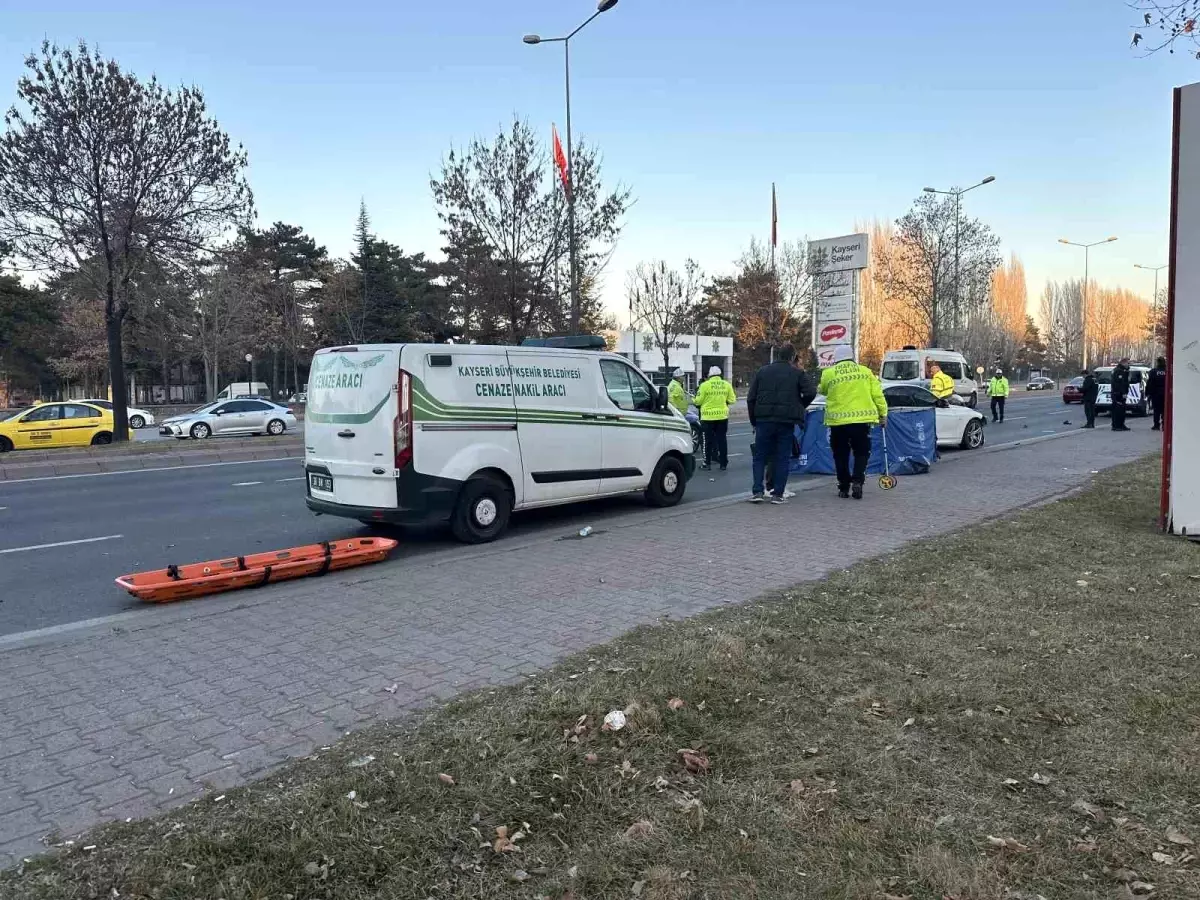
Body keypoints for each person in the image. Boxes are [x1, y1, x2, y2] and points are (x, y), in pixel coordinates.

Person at [747, 345, 816, 504]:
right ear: (792, 357)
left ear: (777, 356)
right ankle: (777, 494)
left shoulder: (762, 372)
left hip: (763, 421)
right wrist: (799, 406)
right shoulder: (797, 373)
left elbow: (751, 398)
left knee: (760, 457)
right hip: (785, 421)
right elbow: (811, 392)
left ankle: (758, 491)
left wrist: (754, 421)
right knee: (782, 457)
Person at [818, 345, 888, 500]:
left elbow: (822, 390)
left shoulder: (828, 373)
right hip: (861, 422)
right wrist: (883, 414)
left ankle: (843, 487)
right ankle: (857, 481)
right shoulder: (865, 372)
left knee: (840, 455)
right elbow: (878, 395)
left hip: (837, 422)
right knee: (862, 452)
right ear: (852, 357)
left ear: (836, 358)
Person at [693, 365, 736, 470]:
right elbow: (732, 400)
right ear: (720, 374)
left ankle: (706, 464)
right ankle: (723, 464)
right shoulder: (726, 385)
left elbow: (698, 401)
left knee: (707, 441)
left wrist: (693, 399)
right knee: (722, 440)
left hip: (707, 418)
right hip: (722, 417)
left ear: (709, 375)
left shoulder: (704, 385)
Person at [1111, 357, 1133, 432]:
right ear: (1123, 363)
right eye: (1128, 363)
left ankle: (1121, 424)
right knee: (1118, 410)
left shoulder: (1123, 371)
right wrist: (1123, 393)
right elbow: (1119, 384)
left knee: (1122, 410)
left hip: (1121, 393)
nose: (1129, 365)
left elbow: (1125, 382)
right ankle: (1116, 425)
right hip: (1118, 393)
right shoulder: (1118, 371)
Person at [1148, 355, 1167, 431]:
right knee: (1164, 410)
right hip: (1165, 394)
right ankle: (1164, 425)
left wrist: (1149, 392)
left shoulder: (1153, 371)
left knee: (1156, 410)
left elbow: (1150, 383)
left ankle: (1156, 425)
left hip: (1155, 393)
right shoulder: (1167, 371)